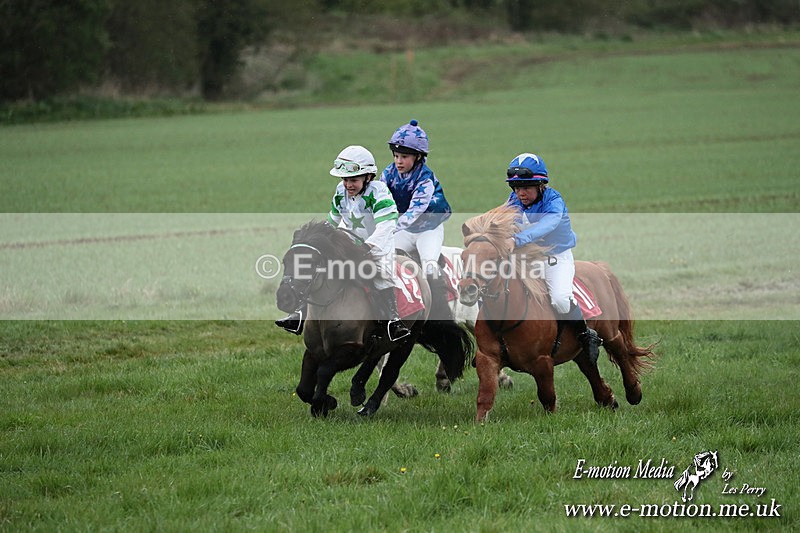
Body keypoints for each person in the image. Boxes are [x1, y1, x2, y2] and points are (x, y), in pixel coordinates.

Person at [276, 145, 411, 341]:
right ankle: (298, 315)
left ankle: (393, 321)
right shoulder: (340, 191)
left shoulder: (379, 192)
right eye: (345, 179)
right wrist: (316, 238)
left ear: (368, 177)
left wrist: (368, 246)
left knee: (382, 275)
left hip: (378, 245)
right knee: (316, 269)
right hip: (350, 243)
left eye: (353, 180)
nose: (348, 185)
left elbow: (386, 225)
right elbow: (332, 221)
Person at [504, 152, 603, 363]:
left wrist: (516, 240)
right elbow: (501, 218)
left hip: (556, 258)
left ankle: (586, 336)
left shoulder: (554, 201)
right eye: (516, 187)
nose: (521, 193)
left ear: (541, 185)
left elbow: (547, 225)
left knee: (560, 299)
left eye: (526, 187)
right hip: (527, 258)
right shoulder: (513, 200)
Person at [381, 119, 453, 319]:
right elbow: (381, 201)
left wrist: (389, 227)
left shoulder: (425, 179)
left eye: (404, 157)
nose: (398, 161)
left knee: (429, 266)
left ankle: (440, 310)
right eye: (396, 156)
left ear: (418, 156)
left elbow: (414, 212)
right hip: (405, 230)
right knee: (384, 261)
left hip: (428, 229)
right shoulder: (387, 174)